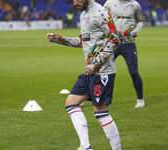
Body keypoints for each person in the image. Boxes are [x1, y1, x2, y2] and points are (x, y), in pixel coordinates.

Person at [47, 0, 121, 149]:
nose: (75, 3)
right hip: (90, 71)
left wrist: (95, 63)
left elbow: (115, 40)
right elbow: (83, 41)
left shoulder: (101, 13)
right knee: (71, 103)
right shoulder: (84, 14)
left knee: (101, 114)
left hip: (102, 72)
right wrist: (58, 39)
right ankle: (85, 145)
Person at [104, 0, 145, 108]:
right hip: (113, 42)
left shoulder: (135, 5)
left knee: (133, 72)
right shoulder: (109, 3)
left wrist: (135, 32)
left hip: (129, 43)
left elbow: (140, 21)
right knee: (100, 69)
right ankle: (88, 96)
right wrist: (110, 30)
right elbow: (102, 19)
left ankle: (140, 99)